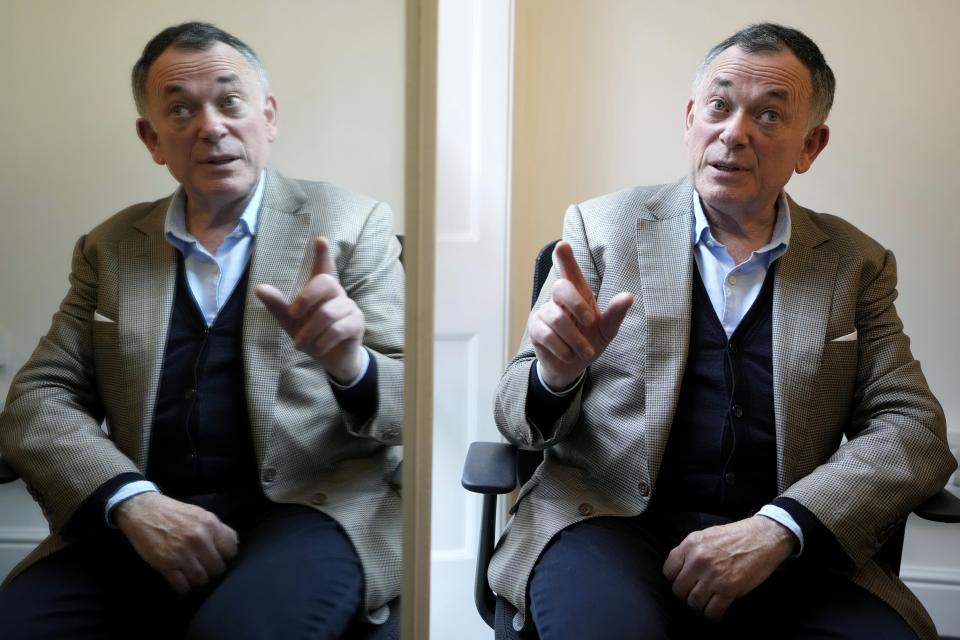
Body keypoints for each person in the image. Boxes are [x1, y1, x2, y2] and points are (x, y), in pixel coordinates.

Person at [490, 23, 955, 640]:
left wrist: (780, 527)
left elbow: (914, 428)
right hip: (607, 521)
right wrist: (553, 376)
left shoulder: (854, 264)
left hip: (780, 543)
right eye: (718, 105)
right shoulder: (602, 229)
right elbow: (514, 415)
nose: (733, 132)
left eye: (768, 116)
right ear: (690, 119)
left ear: (810, 146)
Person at [0, 22, 403, 639]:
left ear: (267, 116)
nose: (211, 126)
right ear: (152, 138)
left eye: (230, 100)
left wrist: (351, 364)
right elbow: (39, 399)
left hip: (310, 508)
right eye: (181, 109)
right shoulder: (110, 248)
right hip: (151, 510)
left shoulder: (352, 224)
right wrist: (131, 501)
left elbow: (418, 405)